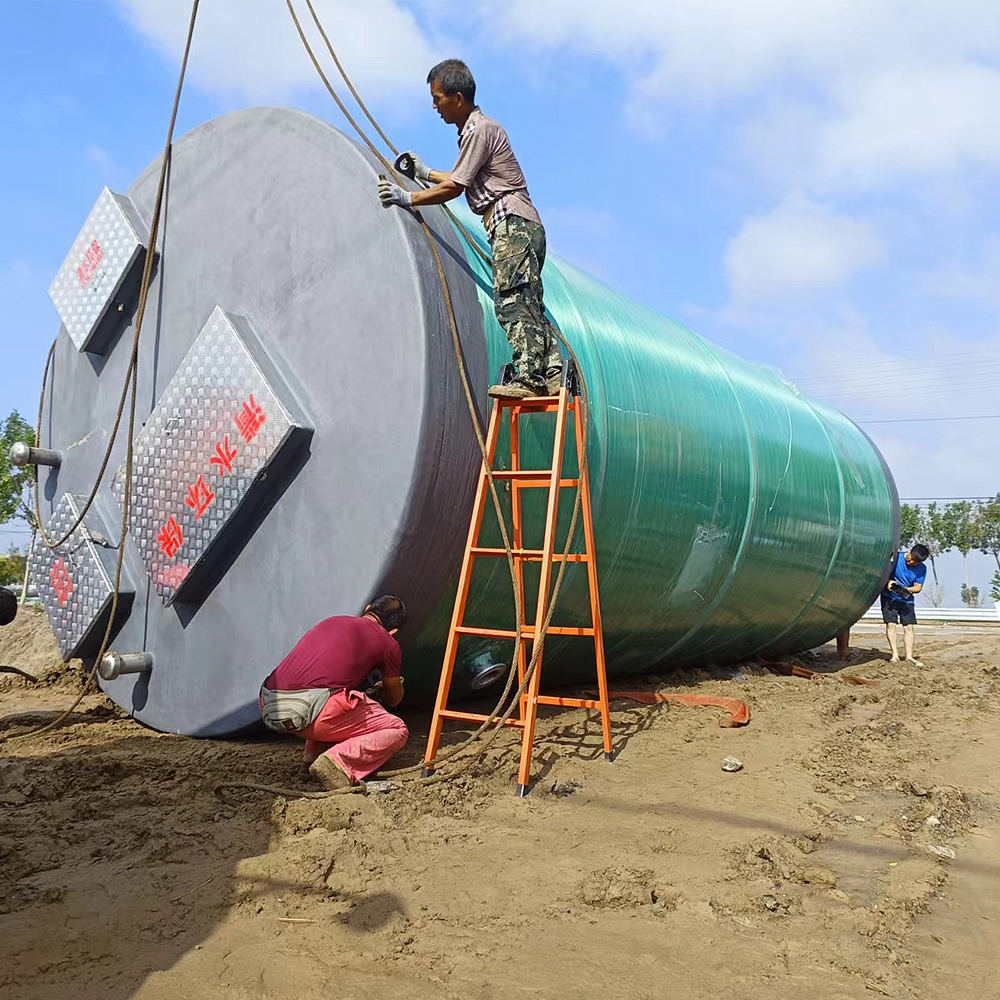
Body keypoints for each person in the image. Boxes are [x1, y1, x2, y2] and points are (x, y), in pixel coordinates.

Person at [377, 58, 563, 400]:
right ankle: (550, 373)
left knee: (511, 300)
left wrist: (408, 197)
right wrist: (426, 171)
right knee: (528, 301)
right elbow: (462, 176)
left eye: (438, 98)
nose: (434, 106)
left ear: (458, 98)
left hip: (511, 223)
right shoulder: (477, 132)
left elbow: (457, 187)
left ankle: (528, 377)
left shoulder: (479, 130)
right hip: (522, 223)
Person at [259, 596, 409, 790]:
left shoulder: (331, 621)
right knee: (397, 729)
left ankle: (310, 759)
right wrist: (384, 692)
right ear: (394, 631)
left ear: (368, 608)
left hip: (269, 703)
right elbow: (394, 699)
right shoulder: (388, 643)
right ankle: (337, 762)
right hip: (315, 713)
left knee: (328, 691)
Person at [881, 544, 929, 666]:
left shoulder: (922, 569)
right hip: (889, 598)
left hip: (906, 600)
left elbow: (918, 587)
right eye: (911, 558)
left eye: (916, 562)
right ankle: (895, 655)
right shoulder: (896, 558)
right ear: (910, 551)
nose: (911, 562)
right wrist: (888, 582)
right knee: (891, 624)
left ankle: (909, 656)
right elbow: (881, 574)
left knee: (908, 627)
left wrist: (907, 590)